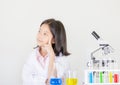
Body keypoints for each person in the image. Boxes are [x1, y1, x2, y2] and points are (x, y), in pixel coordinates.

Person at [22, 18, 70, 85]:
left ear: (54, 40)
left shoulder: (62, 59)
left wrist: (52, 57)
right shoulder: (32, 56)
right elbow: (26, 79)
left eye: (45, 34)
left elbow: (54, 81)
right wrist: (45, 80)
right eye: (39, 31)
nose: (39, 36)